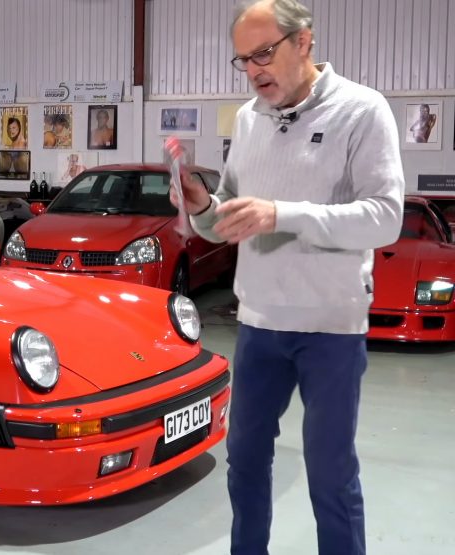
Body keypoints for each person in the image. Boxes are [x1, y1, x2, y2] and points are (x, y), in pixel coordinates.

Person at [169, 1, 404, 554]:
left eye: (263, 54)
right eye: (243, 60)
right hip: (258, 325)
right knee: (245, 462)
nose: (253, 71)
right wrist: (205, 204)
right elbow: (228, 217)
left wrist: (283, 213)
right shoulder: (249, 119)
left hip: (331, 329)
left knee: (329, 475)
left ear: (305, 43)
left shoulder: (363, 111)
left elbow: (385, 217)